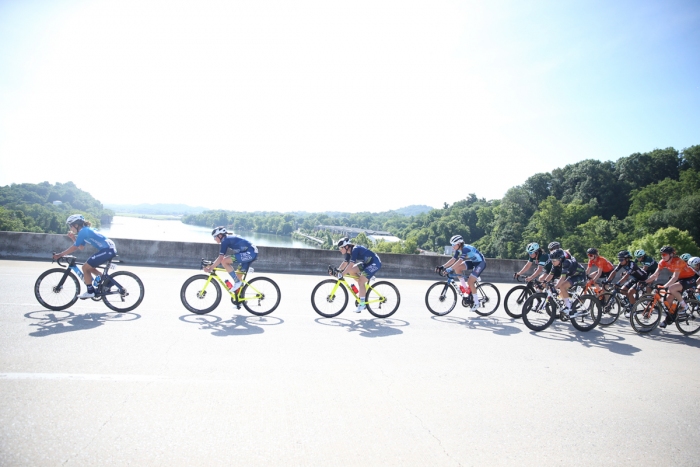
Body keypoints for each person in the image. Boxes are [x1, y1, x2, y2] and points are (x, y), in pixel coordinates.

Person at [52, 214, 117, 299]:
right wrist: (73, 238)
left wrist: (60, 255)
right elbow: (81, 247)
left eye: (70, 225)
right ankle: (108, 282)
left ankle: (90, 291)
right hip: (108, 249)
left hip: (107, 250)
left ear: (76, 225)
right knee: (89, 267)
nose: (70, 228)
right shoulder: (85, 231)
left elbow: (75, 247)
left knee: (85, 268)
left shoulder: (83, 231)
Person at [645, 246, 697, 328]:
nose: (663, 256)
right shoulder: (662, 262)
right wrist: (645, 281)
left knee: (671, 288)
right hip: (680, 279)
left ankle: (684, 306)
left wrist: (664, 286)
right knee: (668, 299)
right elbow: (655, 274)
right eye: (661, 254)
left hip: (690, 278)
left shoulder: (678, 261)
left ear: (671, 254)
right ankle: (669, 318)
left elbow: (675, 277)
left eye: (664, 254)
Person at [436, 235, 486, 311]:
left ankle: (476, 303)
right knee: (458, 268)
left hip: (480, 263)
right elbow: (453, 259)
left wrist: (449, 269)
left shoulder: (465, 249)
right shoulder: (458, 249)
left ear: (459, 244)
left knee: (470, 281)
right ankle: (466, 288)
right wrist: (443, 266)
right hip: (473, 262)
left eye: (453, 244)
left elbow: (459, 261)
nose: (452, 246)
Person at [333, 237, 382, 313]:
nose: (340, 249)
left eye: (341, 248)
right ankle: (363, 287)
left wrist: (342, 274)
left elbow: (351, 264)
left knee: (361, 282)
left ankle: (362, 304)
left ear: (346, 247)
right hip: (367, 263)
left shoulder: (355, 249)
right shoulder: (349, 252)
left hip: (375, 263)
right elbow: (345, 263)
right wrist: (338, 271)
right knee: (351, 271)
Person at [203, 226, 258, 293]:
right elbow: (221, 257)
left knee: (224, 262)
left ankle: (237, 282)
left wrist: (210, 268)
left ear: (220, 235)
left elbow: (221, 258)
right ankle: (241, 299)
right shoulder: (226, 239)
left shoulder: (225, 240)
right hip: (249, 253)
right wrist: (213, 264)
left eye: (215, 237)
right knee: (238, 278)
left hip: (250, 253)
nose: (214, 239)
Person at [548, 248, 587, 317]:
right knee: (561, 292)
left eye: (554, 260)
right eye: (551, 260)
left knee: (562, 286)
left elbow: (562, 278)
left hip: (580, 276)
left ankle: (568, 307)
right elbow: (550, 275)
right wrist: (543, 282)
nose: (552, 262)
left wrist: (555, 287)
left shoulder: (566, 263)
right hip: (573, 276)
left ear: (560, 259)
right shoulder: (555, 264)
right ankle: (570, 306)